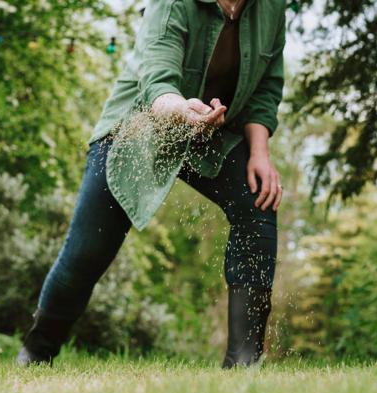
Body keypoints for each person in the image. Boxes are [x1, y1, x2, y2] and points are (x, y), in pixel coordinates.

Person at [17, 0, 286, 368]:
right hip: (140, 124)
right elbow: (157, 79)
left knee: (258, 200)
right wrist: (183, 111)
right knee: (88, 251)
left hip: (214, 130)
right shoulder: (172, 3)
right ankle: (36, 352)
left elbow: (266, 88)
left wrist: (260, 153)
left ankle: (244, 364)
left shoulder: (272, 7)